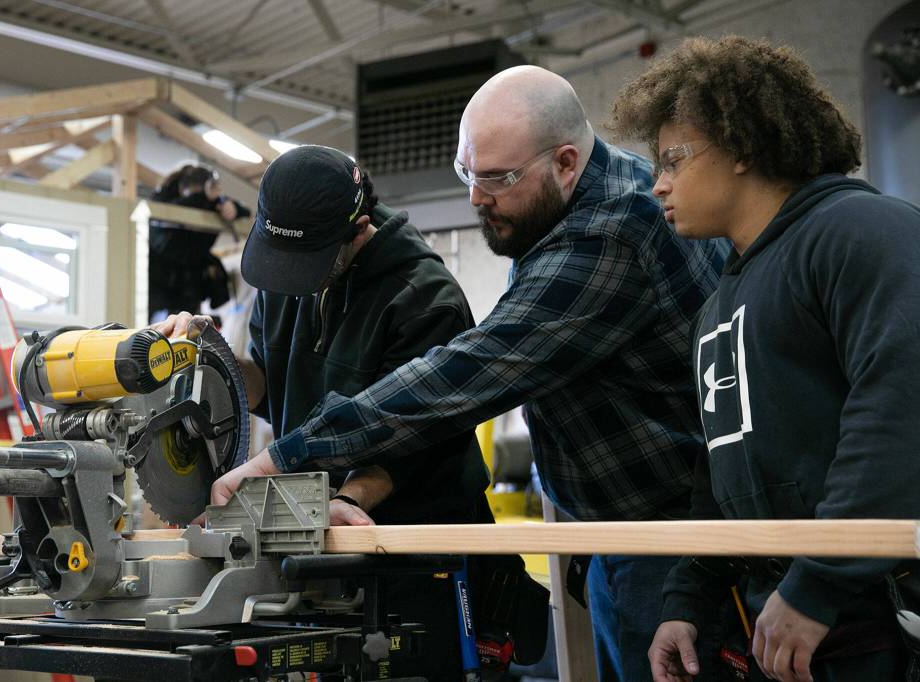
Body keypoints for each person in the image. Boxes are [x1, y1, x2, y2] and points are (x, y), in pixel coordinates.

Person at [210, 67, 726, 681]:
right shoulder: (561, 210)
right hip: (621, 533)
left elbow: (464, 378)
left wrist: (284, 459)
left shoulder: (610, 233)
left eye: (494, 179)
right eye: (466, 173)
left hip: (668, 540)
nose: (475, 198)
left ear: (565, 163)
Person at [156, 145, 544, 680]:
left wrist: (342, 501)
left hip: (411, 555)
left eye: (304, 264)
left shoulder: (425, 299)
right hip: (315, 542)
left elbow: (406, 444)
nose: (288, 278)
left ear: (357, 230)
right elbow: (268, 387)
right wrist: (211, 360)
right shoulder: (289, 279)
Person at [607, 35, 920, 682]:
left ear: (744, 145)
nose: (658, 183)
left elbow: (901, 408)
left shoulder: (864, 233)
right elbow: (721, 468)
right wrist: (686, 602)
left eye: (673, 159)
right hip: (787, 620)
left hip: (881, 614)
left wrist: (819, 583)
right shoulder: (720, 301)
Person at [147, 163, 251, 322]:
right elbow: (164, 211)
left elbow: (245, 211)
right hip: (160, 278)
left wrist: (233, 208)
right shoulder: (163, 199)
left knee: (186, 329)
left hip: (189, 280)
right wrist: (204, 198)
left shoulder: (212, 202)